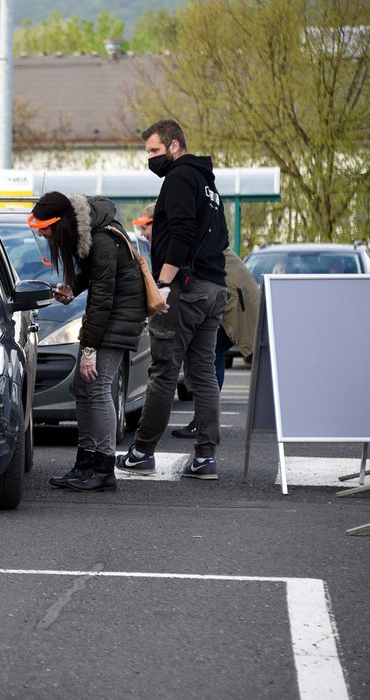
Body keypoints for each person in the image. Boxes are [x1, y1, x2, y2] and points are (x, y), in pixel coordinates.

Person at [116, 119, 229, 480]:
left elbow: (180, 231)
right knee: (203, 373)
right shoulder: (208, 183)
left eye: (154, 151)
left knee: (164, 371)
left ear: (174, 146)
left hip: (186, 287)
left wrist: (163, 283)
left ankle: (143, 452)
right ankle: (205, 458)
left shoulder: (179, 178)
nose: (150, 159)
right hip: (213, 288)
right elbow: (221, 238)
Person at [29, 192, 147, 492]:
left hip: (117, 317)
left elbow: (104, 297)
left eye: (46, 228)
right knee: (84, 387)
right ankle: (85, 463)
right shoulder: (90, 234)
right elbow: (95, 277)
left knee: (97, 387)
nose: (43, 234)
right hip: (110, 313)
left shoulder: (104, 240)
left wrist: (90, 351)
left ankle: (104, 467)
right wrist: (73, 288)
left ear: (62, 223)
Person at [171, 246, 260, 438]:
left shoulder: (191, 240)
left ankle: (204, 422)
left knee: (207, 356)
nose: (144, 234)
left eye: (145, 227)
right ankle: (206, 421)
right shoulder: (210, 240)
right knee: (210, 355)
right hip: (234, 298)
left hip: (234, 303)